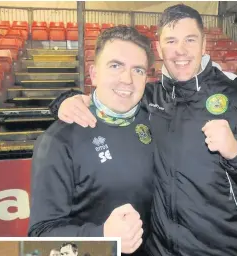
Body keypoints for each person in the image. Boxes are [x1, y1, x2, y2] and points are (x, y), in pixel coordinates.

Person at [48, 4, 237, 256]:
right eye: (171, 40)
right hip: (160, 250)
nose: (180, 50)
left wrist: (236, 152)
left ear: (204, 45)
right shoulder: (148, 97)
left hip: (223, 250)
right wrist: (66, 99)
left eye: (189, 40)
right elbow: (109, 97)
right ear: (160, 48)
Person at [28, 26, 155, 255]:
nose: (127, 79)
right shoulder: (59, 139)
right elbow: (41, 237)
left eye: (138, 70)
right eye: (115, 66)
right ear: (94, 73)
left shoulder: (156, 119)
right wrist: (102, 238)